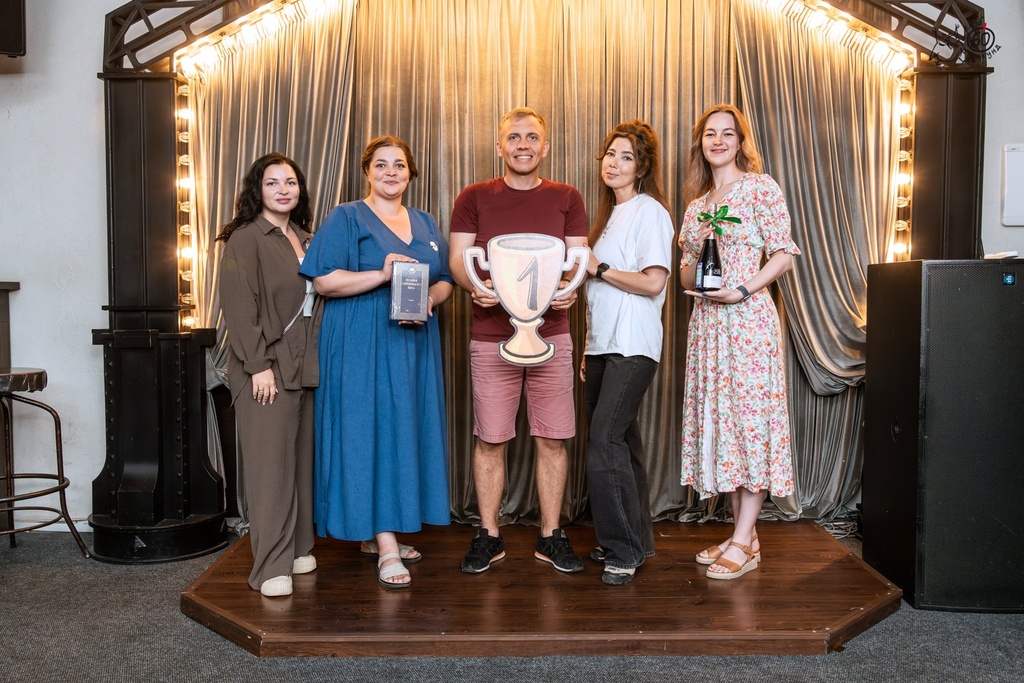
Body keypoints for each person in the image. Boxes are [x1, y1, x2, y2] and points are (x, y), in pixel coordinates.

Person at [300, 135, 452, 589]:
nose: (391, 172)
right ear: (367, 171)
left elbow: (445, 279)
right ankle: (386, 543)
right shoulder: (346, 216)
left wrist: (430, 299)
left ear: (410, 173)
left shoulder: (425, 222)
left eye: (399, 165)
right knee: (370, 432)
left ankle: (378, 532)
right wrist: (381, 275)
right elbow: (324, 282)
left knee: (403, 430)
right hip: (360, 343)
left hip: (413, 344)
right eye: (381, 164)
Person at [449, 107, 589, 574]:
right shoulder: (473, 196)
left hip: (553, 336)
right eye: (514, 137)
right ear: (500, 146)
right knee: (491, 439)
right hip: (491, 337)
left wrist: (569, 290)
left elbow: (576, 261)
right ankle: (489, 535)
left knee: (553, 439)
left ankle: (551, 535)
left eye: (531, 137)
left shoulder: (567, 197)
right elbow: (458, 260)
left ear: (545, 147)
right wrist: (474, 286)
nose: (523, 145)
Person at [677, 104, 800, 580]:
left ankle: (744, 540)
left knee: (750, 425)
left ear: (740, 142)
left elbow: (783, 254)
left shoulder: (760, 188)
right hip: (708, 325)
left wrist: (744, 289)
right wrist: (701, 244)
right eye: (710, 133)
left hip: (747, 321)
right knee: (724, 427)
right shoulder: (697, 206)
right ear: (701, 143)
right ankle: (742, 535)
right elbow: (685, 274)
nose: (718, 140)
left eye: (728, 133)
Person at [218, 152, 320, 597]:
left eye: (290, 182)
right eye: (273, 182)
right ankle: (269, 567)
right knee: (270, 471)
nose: (283, 190)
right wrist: (258, 366)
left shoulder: (306, 237)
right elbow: (239, 306)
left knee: (299, 466)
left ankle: (298, 549)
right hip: (265, 368)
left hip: (304, 367)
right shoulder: (244, 239)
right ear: (257, 190)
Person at [581, 120, 674, 585]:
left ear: (641, 168)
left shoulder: (649, 212)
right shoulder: (607, 217)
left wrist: (599, 267)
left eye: (626, 157)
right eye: (610, 154)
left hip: (634, 345)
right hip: (602, 346)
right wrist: (587, 348)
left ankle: (622, 551)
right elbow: (597, 296)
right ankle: (637, 539)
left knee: (605, 441)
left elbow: (653, 282)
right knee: (624, 443)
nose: (614, 163)